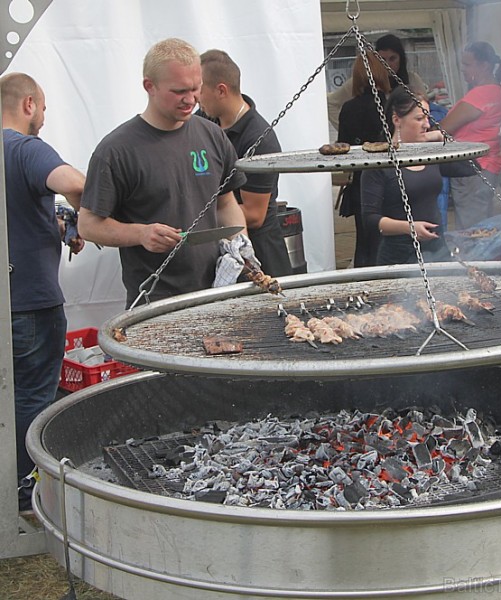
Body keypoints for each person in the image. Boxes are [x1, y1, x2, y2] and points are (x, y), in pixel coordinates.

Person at [78, 38, 247, 307]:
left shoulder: (212, 135)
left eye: (196, 88)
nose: (190, 99)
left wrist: (242, 247)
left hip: (216, 292)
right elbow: (88, 225)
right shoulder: (116, 150)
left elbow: (226, 203)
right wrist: (141, 234)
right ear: (149, 86)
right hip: (154, 301)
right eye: (179, 91)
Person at [1, 72, 86, 511]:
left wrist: (55, 226)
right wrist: (83, 214)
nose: (44, 118)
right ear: (29, 103)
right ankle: (22, 489)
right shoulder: (25, 148)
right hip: (29, 304)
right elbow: (75, 183)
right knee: (32, 398)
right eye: (45, 109)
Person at [197, 49, 292, 277]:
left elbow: (254, 214)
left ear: (221, 90)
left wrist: (193, 215)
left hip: (261, 256)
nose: (194, 98)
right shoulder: (203, 122)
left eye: (198, 90)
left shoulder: (260, 138)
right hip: (219, 250)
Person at [361, 87, 469, 266]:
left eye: (427, 117)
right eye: (419, 119)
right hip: (399, 253)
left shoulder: (430, 155)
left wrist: (441, 139)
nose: (426, 124)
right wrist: (410, 228)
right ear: (397, 119)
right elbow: (370, 219)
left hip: (437, 249)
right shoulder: (379, 163)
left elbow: (470, 168)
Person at [439, 41, 501, 230]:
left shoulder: (481, 95)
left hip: (474, 169)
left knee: (471, 231)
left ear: (484, 66)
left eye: (467, 64)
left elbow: (443, 128)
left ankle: (473, 259)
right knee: (480, 225)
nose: (462, 69)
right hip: (488, 165)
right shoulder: (495, 91)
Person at [336, 50, 391, 267]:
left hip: (362, 182)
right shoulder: (392, 105)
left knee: (365, 242)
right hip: (391, 181)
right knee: (388, 240)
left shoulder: (349, 109)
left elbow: (343, 147)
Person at [327, 33, 427, 130]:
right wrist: (347, 129)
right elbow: (330, 103)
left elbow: (425, 108)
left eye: (393, 59)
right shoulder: (362, 81)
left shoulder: (412, 79)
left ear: (401, 59)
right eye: (382, 59)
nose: (387, 64)